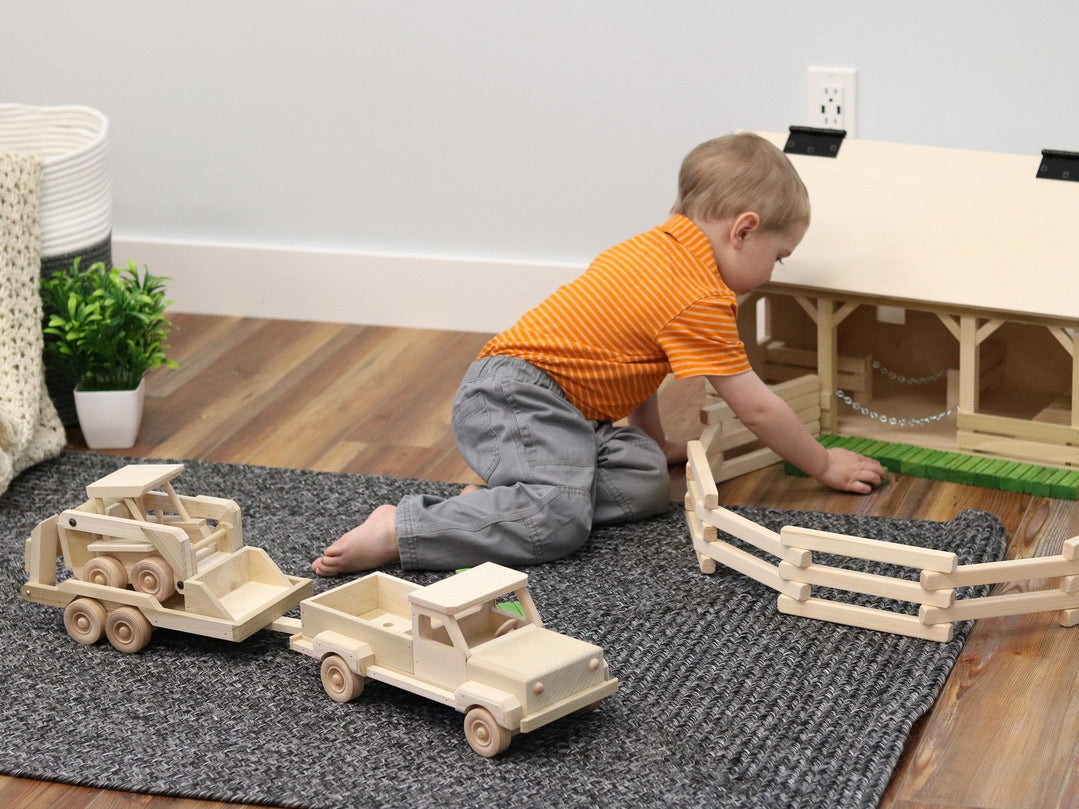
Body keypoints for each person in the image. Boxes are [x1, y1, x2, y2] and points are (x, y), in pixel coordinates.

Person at [312, 132, 887, 576]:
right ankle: (401, 528)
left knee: (644, 479)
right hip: (513, 397)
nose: (772, 272)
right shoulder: (699, 295)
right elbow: (756, 408)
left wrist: (658, 444)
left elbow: (638, 369)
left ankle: (503, 502)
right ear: (743, 231)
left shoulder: (657, 250)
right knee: (556, 524)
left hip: (552, 409)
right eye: (779, 256)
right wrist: (822, 463)